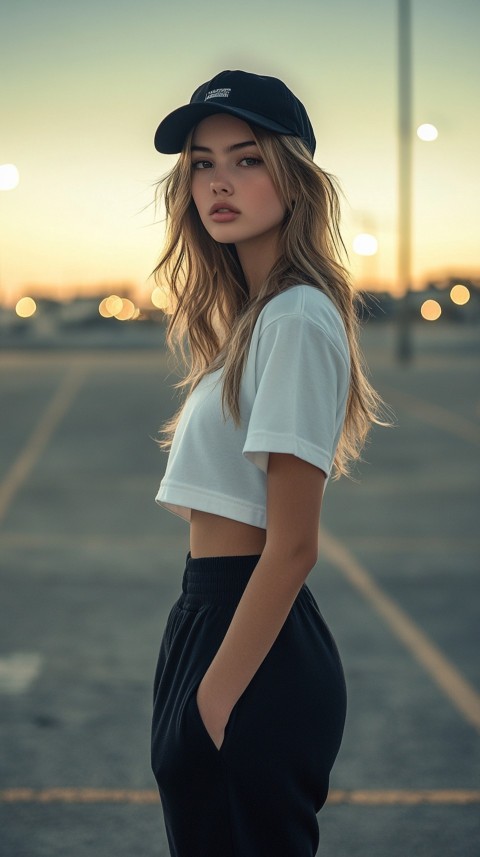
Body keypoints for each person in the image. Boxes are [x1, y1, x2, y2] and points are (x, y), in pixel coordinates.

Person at [150, 69, 389, 857]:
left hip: (249, 638)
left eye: (247, 159)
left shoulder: (294, 318)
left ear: (294, 177)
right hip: (210, 619)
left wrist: (213, 702)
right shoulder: (255, 322)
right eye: (202, 163)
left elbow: (292, 543)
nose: (219, 181)